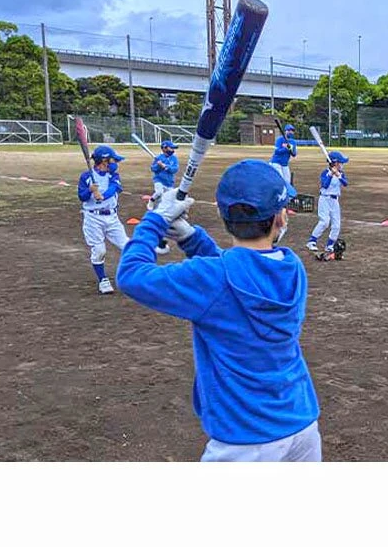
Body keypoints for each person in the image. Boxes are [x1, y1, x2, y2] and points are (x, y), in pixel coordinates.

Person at [117, 159, 321, 462]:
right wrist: (190, 236)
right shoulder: (292, 267)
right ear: (280, 218)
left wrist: (156, 221)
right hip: (301, 423)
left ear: (223, 216)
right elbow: (236, 272)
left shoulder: (212, 279)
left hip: (245, 438)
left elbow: (131, 275)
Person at [77, 145, 130, 295]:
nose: (115, 164)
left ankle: (135, 274)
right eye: (113, 160)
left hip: (112, 217)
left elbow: (114, 188)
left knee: (127, 245)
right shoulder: (86, 177)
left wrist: (103, 195)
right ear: (104, 161)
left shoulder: (113, 176)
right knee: (99, 250)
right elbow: (82, 196)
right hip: (93, 218)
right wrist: (90, 190)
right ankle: (103, 280)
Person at [306, 151, 349, 254]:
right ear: (335, 163)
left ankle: (330, 245)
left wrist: (338, 175)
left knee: (336, 225)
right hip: (324, 199)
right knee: (324, 222)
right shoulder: (325, 173)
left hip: (335, 201)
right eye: (340, 163)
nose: (342, 165)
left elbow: (345, 183)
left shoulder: (341, 173)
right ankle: (311, 241)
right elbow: (325, 185)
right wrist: (330, 174)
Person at [150, 139, 179, 255]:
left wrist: (165, 166)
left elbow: (174, 170)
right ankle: (151, 201)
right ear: (165, 148)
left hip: (169, 183)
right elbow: (153, 169)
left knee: (169, 202)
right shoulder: (158, 158)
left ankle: (158, 214)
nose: (173, 150)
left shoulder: (174, 159)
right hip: (159, 181)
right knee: (159, 192)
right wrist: (158, 166)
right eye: (171, 148)